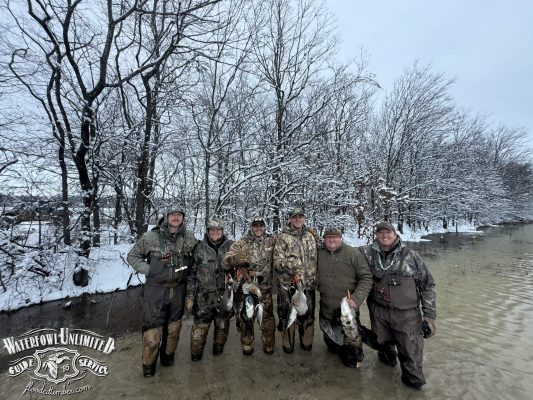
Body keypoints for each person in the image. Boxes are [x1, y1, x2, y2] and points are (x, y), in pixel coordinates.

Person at [360, 221, 436, 389]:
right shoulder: (366, 253)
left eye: (388, 232)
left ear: (395, 234)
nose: (384, 236)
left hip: (407, 315)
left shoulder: (411, 255)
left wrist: (429, 317)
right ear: (376, 235)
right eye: (380, 233)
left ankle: (413, 386)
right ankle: (386, 387)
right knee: (384, 353)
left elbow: (427, 285)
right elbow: (343, 253)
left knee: (411, 358)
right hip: (378, 312)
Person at [127, 208, 198, 377]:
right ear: (166, 217)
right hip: (156, 292)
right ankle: (149, 368)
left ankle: (167, 362)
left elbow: (199, 256)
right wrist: (151, 270)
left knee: (174, 331)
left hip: (178, 290)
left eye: (179, 215)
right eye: (172, 215)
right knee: (152, 336)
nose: (175, 218)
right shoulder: (150, 237)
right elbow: (132, 257)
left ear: (182, 218)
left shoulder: (188, 237)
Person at [317, 227, 373, 368]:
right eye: (328, 237)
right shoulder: (319, 253)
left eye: (335, 237)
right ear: (324, 239)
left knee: (350, 357)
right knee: (331, 347)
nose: (331, 240)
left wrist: (357, 298)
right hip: (326, 308)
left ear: (341, 238)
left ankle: (353, 365)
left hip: (347, 311)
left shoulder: (353, 254)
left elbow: (366, 277)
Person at [222, 216, 277, 355]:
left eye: (261, 225)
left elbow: (288, 245)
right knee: (246, 318)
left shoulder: (272, 240)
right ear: (251, 227)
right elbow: (225, 262)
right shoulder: (242, 242)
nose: (258, 228)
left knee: (267, 319)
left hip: (265, 289)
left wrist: (312, 234)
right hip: (246, 290)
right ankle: (247, 345)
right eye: (255, 225)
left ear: (265, 226)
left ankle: (268, 345)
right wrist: (234, 259)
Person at [185, 218, 234, 361]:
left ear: (222, 231)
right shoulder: (199, 248)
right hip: (203, 299)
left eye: (218, 230)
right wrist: (189, 297)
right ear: (207, 231)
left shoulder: (231, 247)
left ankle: (218, 356)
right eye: (212, 230)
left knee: (222, 330)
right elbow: (192, 275)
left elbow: (240, 266)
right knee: (198, 334)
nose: (215, 232)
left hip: (224, 298)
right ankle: (196, 357)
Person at [273, 207, 318, 353]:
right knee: (287, 315)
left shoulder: (310, 237)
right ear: (290, 219)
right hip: (289, 287)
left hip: (308, 285)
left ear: (304, 218)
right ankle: (288, 342)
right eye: (295, 217)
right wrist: (293, 264)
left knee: (308, 316)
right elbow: (277, 263)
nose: (298, 219)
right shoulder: (283, 238)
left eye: (300, 217)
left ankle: (306, 341)